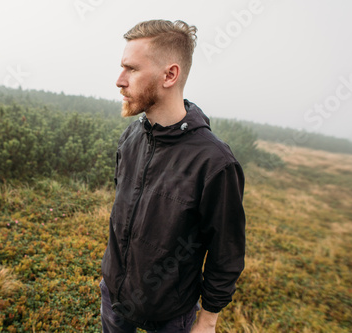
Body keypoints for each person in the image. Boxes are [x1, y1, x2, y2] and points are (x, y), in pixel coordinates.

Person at [100, 19, 246, 333]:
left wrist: (207, 322)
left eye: (132, 69)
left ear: (170, 74)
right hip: (114, 296)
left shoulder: (215, 162)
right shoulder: (131, 138)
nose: (119, 81)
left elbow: (226, 252)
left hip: (170, 314)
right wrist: (110, 278)